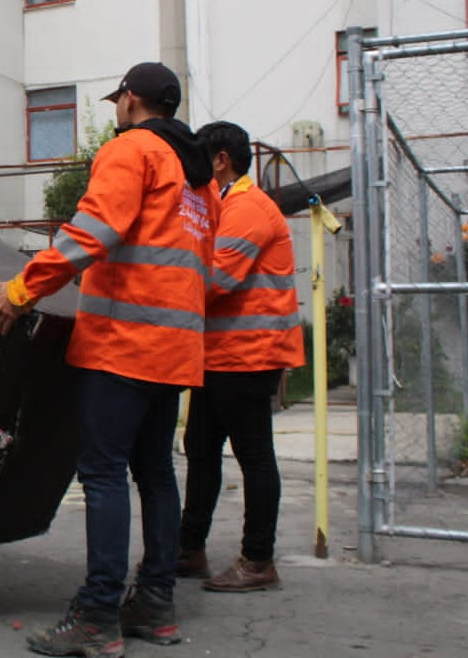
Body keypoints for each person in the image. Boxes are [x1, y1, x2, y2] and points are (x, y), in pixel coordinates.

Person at [0, 62, 218, 658]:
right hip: (174, 350)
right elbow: (203, 271)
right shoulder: (202, 182)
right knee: (157, 475)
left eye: (118, 99)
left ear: (133, 100)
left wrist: (20, 292)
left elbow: (89, 234)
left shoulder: (131, 151)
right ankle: (155, 604)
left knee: (103, 475)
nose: (116, 108)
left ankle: (97, 616)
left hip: (123, 343)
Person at [177, 121, 305, 592]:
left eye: (198, 159)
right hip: (220, 355)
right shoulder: (228, 205)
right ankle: (189, 549)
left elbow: (217, 281)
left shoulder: (248, 208)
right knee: (202, 450)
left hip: (249, 355)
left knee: (253, 455)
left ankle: (257, 560)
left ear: (220, 160)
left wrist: (161, 284)